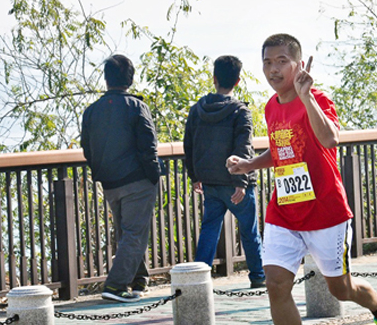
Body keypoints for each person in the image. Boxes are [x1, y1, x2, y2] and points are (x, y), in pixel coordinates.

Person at [226, 34, 377, 325]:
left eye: (281, 62)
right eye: (267, 62)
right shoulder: (271, 106)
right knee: (276, 285)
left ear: (298, 64)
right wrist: (250, 165)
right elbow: (281, 152)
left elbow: (329, 139)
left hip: (326, 213)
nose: (273, 69)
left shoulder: (318, 99)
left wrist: (307, 99)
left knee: (341, 289)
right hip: (285, 213)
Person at [81, 54, 164, 303]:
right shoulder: (137, 107)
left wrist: (100, 170)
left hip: (109, 182)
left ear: (106, 79)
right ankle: (116, 286)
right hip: (137, 179)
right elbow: (149, 146)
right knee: (134, 233)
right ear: (130, 78)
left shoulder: (92, 111)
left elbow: (87, 147)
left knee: (127, 233)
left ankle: (139, 279)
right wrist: (153, 175)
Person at [184, 55, 265, 288]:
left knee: (210, 228)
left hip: (209, 181)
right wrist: (241, 181)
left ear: (214, 79)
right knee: (249, 230)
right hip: (234, 182)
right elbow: (244, 147)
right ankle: (258, 276)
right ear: (238, 81)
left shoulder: (197, 110)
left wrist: (195, 176)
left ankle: (199, 279)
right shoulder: (240, 111)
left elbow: (188, 145)